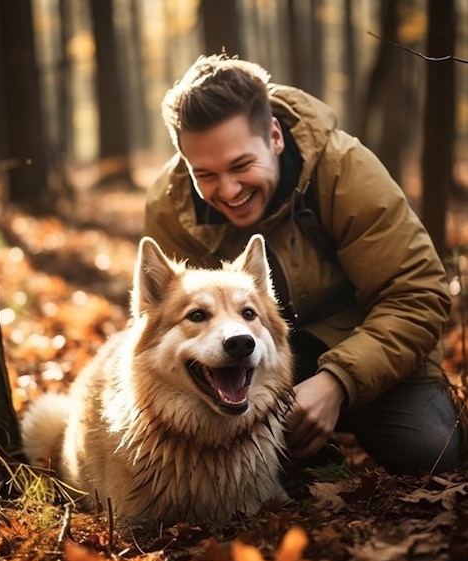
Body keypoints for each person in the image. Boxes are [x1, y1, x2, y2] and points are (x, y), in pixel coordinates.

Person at [144, 53, 465, 475]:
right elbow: (166, 325)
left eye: (242, 165)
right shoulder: (171, 207)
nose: (228, 189)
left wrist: (337, 382)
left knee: (432, 450)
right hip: (248, 363)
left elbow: (417, 295)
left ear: (274, 136)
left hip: (370, 350)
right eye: (205, 174)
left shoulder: (344, 170)